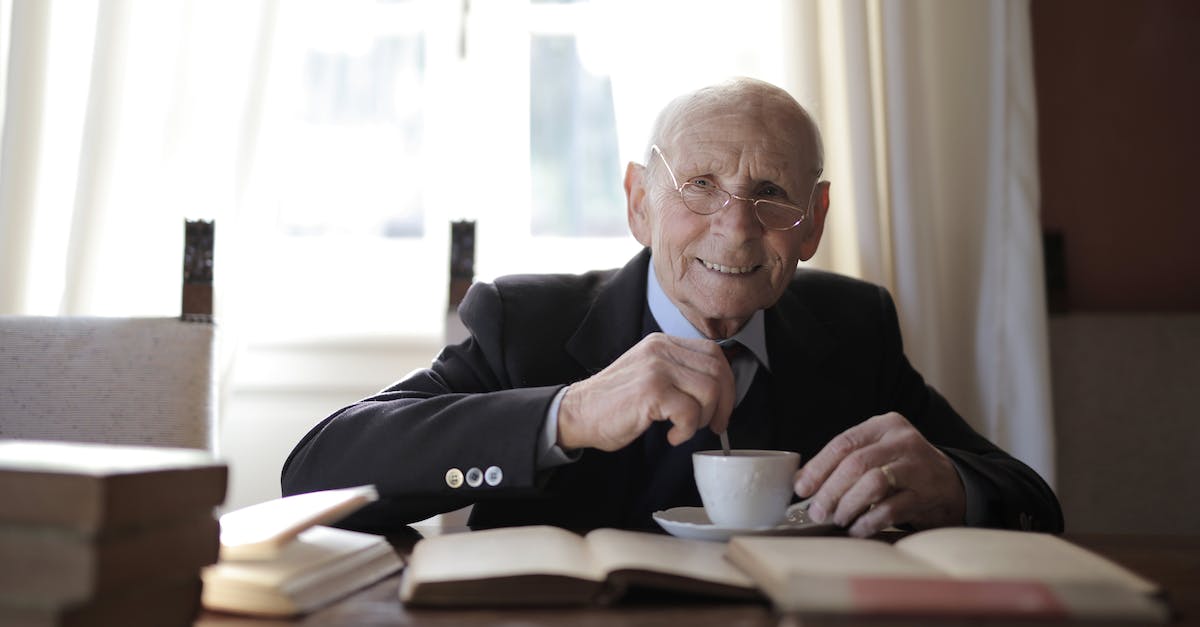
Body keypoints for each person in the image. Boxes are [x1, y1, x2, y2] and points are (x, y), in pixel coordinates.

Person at [281, 78, 1062, 538]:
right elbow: (314, 471)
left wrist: (959, 488)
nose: (737, 225)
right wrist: (568, 413)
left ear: (815, 222)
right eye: (700, 186)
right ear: (639, 201)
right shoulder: (528, 325)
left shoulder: (853, 328)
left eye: (771, 194)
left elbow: (1031, 500)